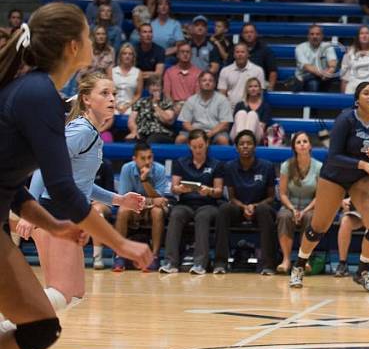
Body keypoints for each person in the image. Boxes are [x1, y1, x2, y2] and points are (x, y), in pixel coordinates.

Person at [0, 5, 152, 349]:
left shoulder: (40, 94)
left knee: (41, 326)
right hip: (36, 209)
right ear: (72, 46)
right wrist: (121, 243)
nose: (92, 40)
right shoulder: (39, 96)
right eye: (86, 34)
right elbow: (63, 186)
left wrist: (52, 225)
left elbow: (12, 185)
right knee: (47, 316)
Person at [19, 75, 147, 303]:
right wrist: (32, 210)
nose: (112, 99)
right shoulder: (82, 131)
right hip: (54, 212)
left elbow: (82, 183)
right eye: (105, 93)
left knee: (66, 294)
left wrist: (119, 200)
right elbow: (45, 164)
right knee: (66, 293)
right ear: (87, 99)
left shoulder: (92, 134)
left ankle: (15, 326)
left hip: (63, 211)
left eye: (114, 94)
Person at [288, 81, 369, 293]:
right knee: (319, 228)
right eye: (366, 93)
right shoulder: (346, 119)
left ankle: (362, 272)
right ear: (357, 99)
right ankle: (298, 267)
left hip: (359, 179)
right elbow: (333, 156)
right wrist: (363, 163)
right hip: (334, 176)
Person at [162, 129, 225, 274]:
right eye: (194, 147)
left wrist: (208, 191)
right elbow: (174, 188)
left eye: (201, 146)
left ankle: (200, 264)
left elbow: (219, 191)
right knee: (176, 214)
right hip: (186, 204)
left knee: (202, 217)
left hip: (208, 204)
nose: (197, 150)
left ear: (207, 144)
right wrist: (181, 189)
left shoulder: (216, 164)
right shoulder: (180, 163)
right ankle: (171, 262)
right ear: (190, 146)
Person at [216, 131, 278, 275]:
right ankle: (220, 263)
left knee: (264, 209)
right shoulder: (230, 167)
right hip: (238, 207)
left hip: (260, 208)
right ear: (236, 148)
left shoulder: (267, 166)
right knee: (224, 209)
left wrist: (254, 206)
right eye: (241, 144)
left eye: (249, 143)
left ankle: (268, 264)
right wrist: (244, 207)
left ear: (255, 146)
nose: (245, 146)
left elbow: (271, 197)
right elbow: (231, 197)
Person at [112, 141, 172, 272]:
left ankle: (154, 256)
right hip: (133, 208)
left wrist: (144, 181)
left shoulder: (160, 170)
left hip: (150, 210)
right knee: (122, 211)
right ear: (135, 159)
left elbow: (160, 201)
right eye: (143, 158)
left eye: (150, 157)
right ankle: (119, 255)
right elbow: (124, 200)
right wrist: (150, 200)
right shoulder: (127, 168)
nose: (147, 161)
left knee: (157, 211)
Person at [275, 132, 320, 274]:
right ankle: (286, 260)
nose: (302, 144)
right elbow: (282, 193)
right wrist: (293, 209)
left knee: (310, 218)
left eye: (305, 141)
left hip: (311, 206)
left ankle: (303, 260)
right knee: (284, 216)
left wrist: (305, 210)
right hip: (290, 204)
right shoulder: (286, 166)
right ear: (294, 147)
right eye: (298, 142)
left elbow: (319, 196)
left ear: (310, 145)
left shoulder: (319, 166)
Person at [176, 71, 232, 145]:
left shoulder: (222, 100)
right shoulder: (191, 100)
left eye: (210, 81)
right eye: (204, 80)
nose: (207, 83)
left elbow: (225, 124)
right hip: (194, 131)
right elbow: (185, 123)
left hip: (216, 132)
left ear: (215, 84)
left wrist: (211, 133)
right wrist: (197, 133)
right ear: (199, 83)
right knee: (180, 139)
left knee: (223, 140)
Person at [126, 76, 176, 144]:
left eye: (158, 86)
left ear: (162, 89)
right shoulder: (141, 102)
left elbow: (168, 119)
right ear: (148, 88)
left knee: (151, 141)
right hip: (142, 131)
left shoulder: (167, 103)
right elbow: (131, 120)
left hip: (160, 132)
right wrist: (134, 131)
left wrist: (155, 105)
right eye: (152, 85)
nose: (155, 88)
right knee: (131, 140)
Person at [338, 25, 369, 94]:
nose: (364, 36)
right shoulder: (349, 52)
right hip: (352, 88)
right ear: (358, 36)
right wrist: (343, 97)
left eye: (367, 33)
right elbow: (345, 77)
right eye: (361, 33)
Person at [294, 24, 338, 92]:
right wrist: (324, 73)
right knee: (313, 84)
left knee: (336, 72)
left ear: (322, 36)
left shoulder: (327, 46)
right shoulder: (300, 48)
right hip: (305, 77)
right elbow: (307, 67)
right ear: (308, 36)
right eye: (312, 34)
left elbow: (332, 63)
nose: (315, 36)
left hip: (324, 77)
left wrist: (330, 70)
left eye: (318, 34)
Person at [232, 78, 273, 144]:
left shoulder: (265, 106)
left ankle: (246, 142)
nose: (253, 89)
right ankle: (241, 141)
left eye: (256, 86)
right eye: (250, 86)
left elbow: (263, 126)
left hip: (256, 136)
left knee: (252, 114)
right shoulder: (239, 105)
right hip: (237, 135)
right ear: (247, 90)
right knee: (241, 113)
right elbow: (236, 124)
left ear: (259, 89)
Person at [239, 23, 278, 90]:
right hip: (239, 82)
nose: (249, 35)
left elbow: (273, 71)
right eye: (246, 32)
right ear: (242, 35)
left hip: (259, 84)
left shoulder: (265, 50)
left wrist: (270, 88)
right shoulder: (236, 49)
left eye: (251, 32)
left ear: (256, 34)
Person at [162, 41, 201, 105]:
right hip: (174, 106)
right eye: (182, 52)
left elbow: (198, 96)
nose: (185, 54)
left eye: (188, 52)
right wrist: (173, 106)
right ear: (177, 55)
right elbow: (167, 94)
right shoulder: (169, 72)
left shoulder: (198, 73)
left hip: (192, 107)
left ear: (191, 55)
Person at [111, 44, 142, 115]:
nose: (127, 56)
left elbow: (138, 94)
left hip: (130, 106)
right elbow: (109, 92)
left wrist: (127, 106)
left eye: (130, 54)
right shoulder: (112, 71)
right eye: (124, 54)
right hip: (113, 104)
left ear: (133, 57)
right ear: (120, 56)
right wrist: (116, 105)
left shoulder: (138, 72)